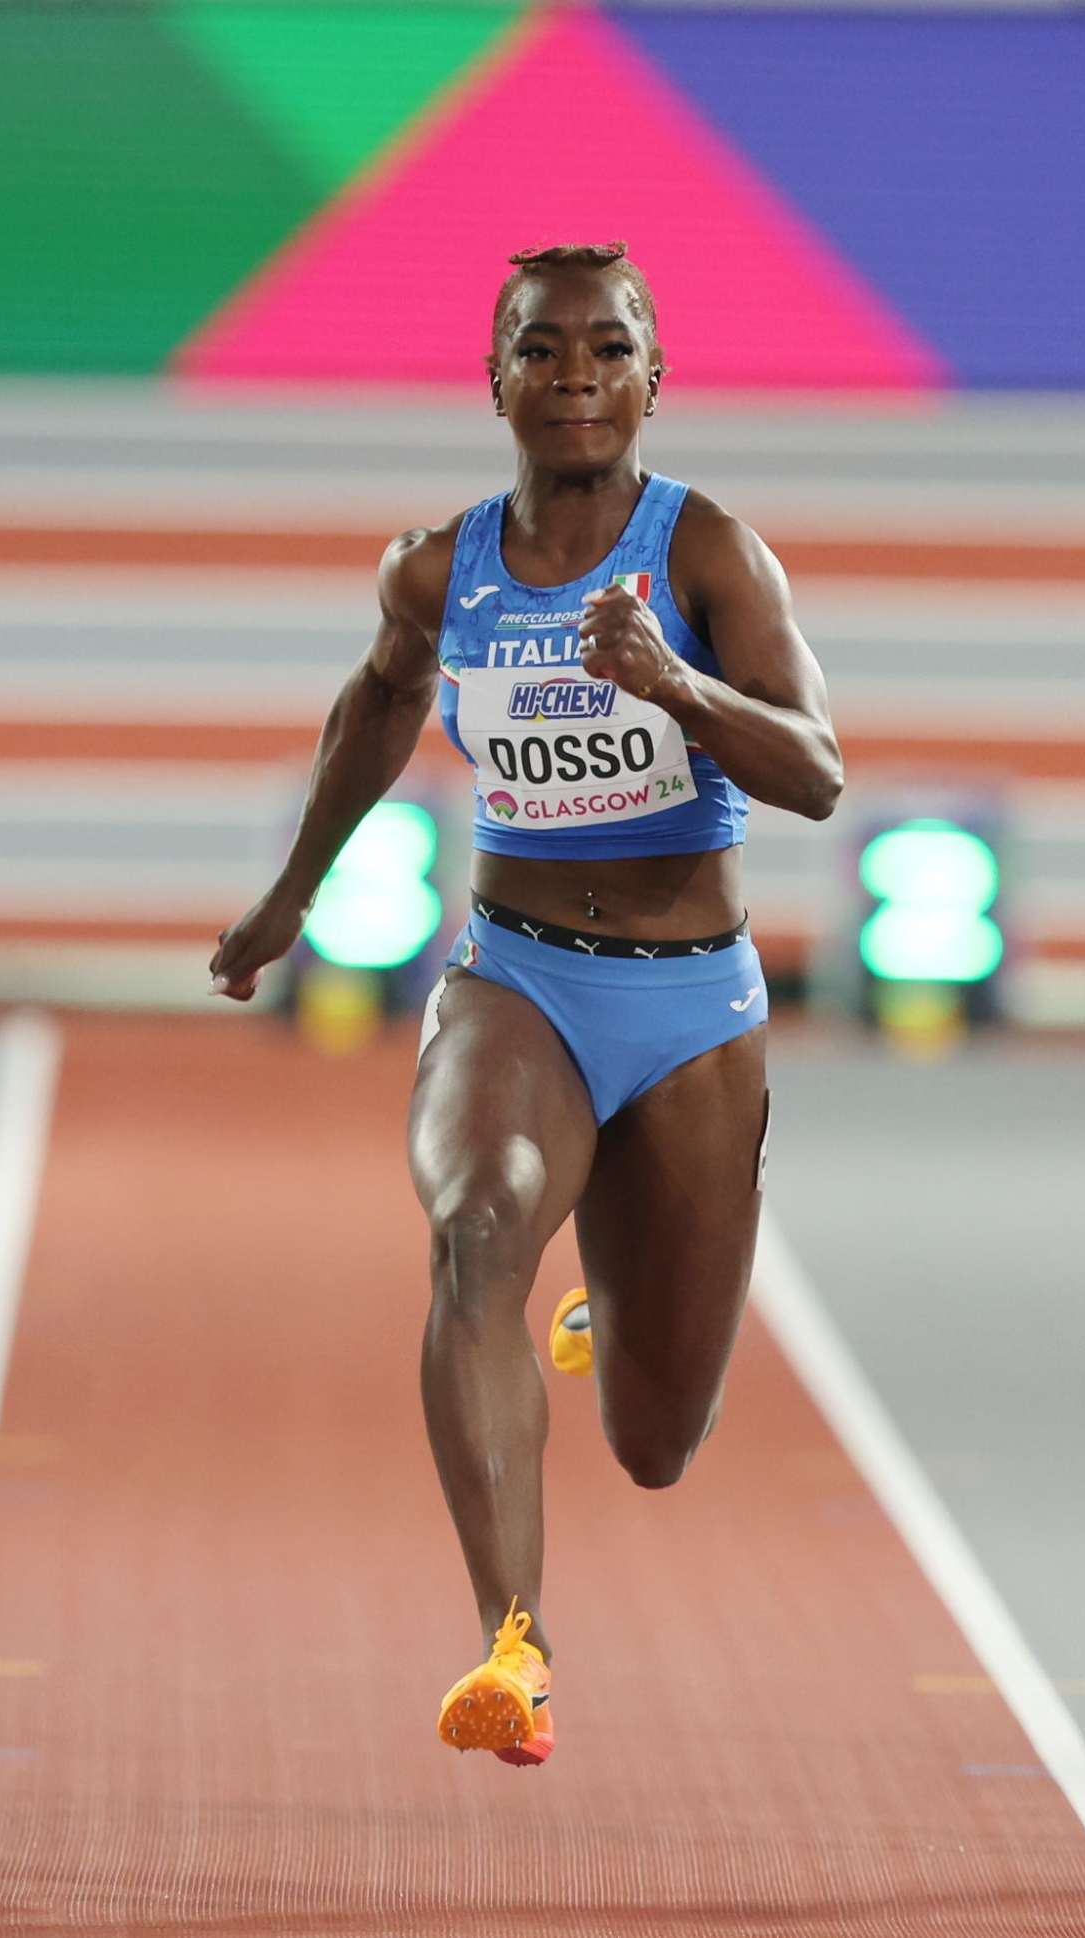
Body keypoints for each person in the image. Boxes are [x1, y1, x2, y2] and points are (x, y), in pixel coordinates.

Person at [209, 242, 841, 1766]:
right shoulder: (440, 566)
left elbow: (817, 771)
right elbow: (376, 705)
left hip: (690, 1005)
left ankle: (613, 1301)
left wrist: (677, 687)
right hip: (520, 976)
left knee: (657, 1441)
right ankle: (515, 1642)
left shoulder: (710, 558)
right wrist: (290, 895)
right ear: (492, 378)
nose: (576, 377)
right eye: (542, 351)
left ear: (653, 377)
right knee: (474, 1223)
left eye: (608, 350)